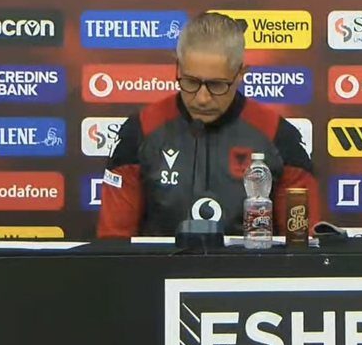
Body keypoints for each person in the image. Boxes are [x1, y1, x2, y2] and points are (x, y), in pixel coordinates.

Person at [97, 12, 320, 238]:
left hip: (251, 263)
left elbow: (303, 243)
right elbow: (114, 242)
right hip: (157, 263)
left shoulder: (278, 136)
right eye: (191, 82)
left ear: (241, 74)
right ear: (178, 68)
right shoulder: (140, 131)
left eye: (216, 85)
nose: (202, 98)